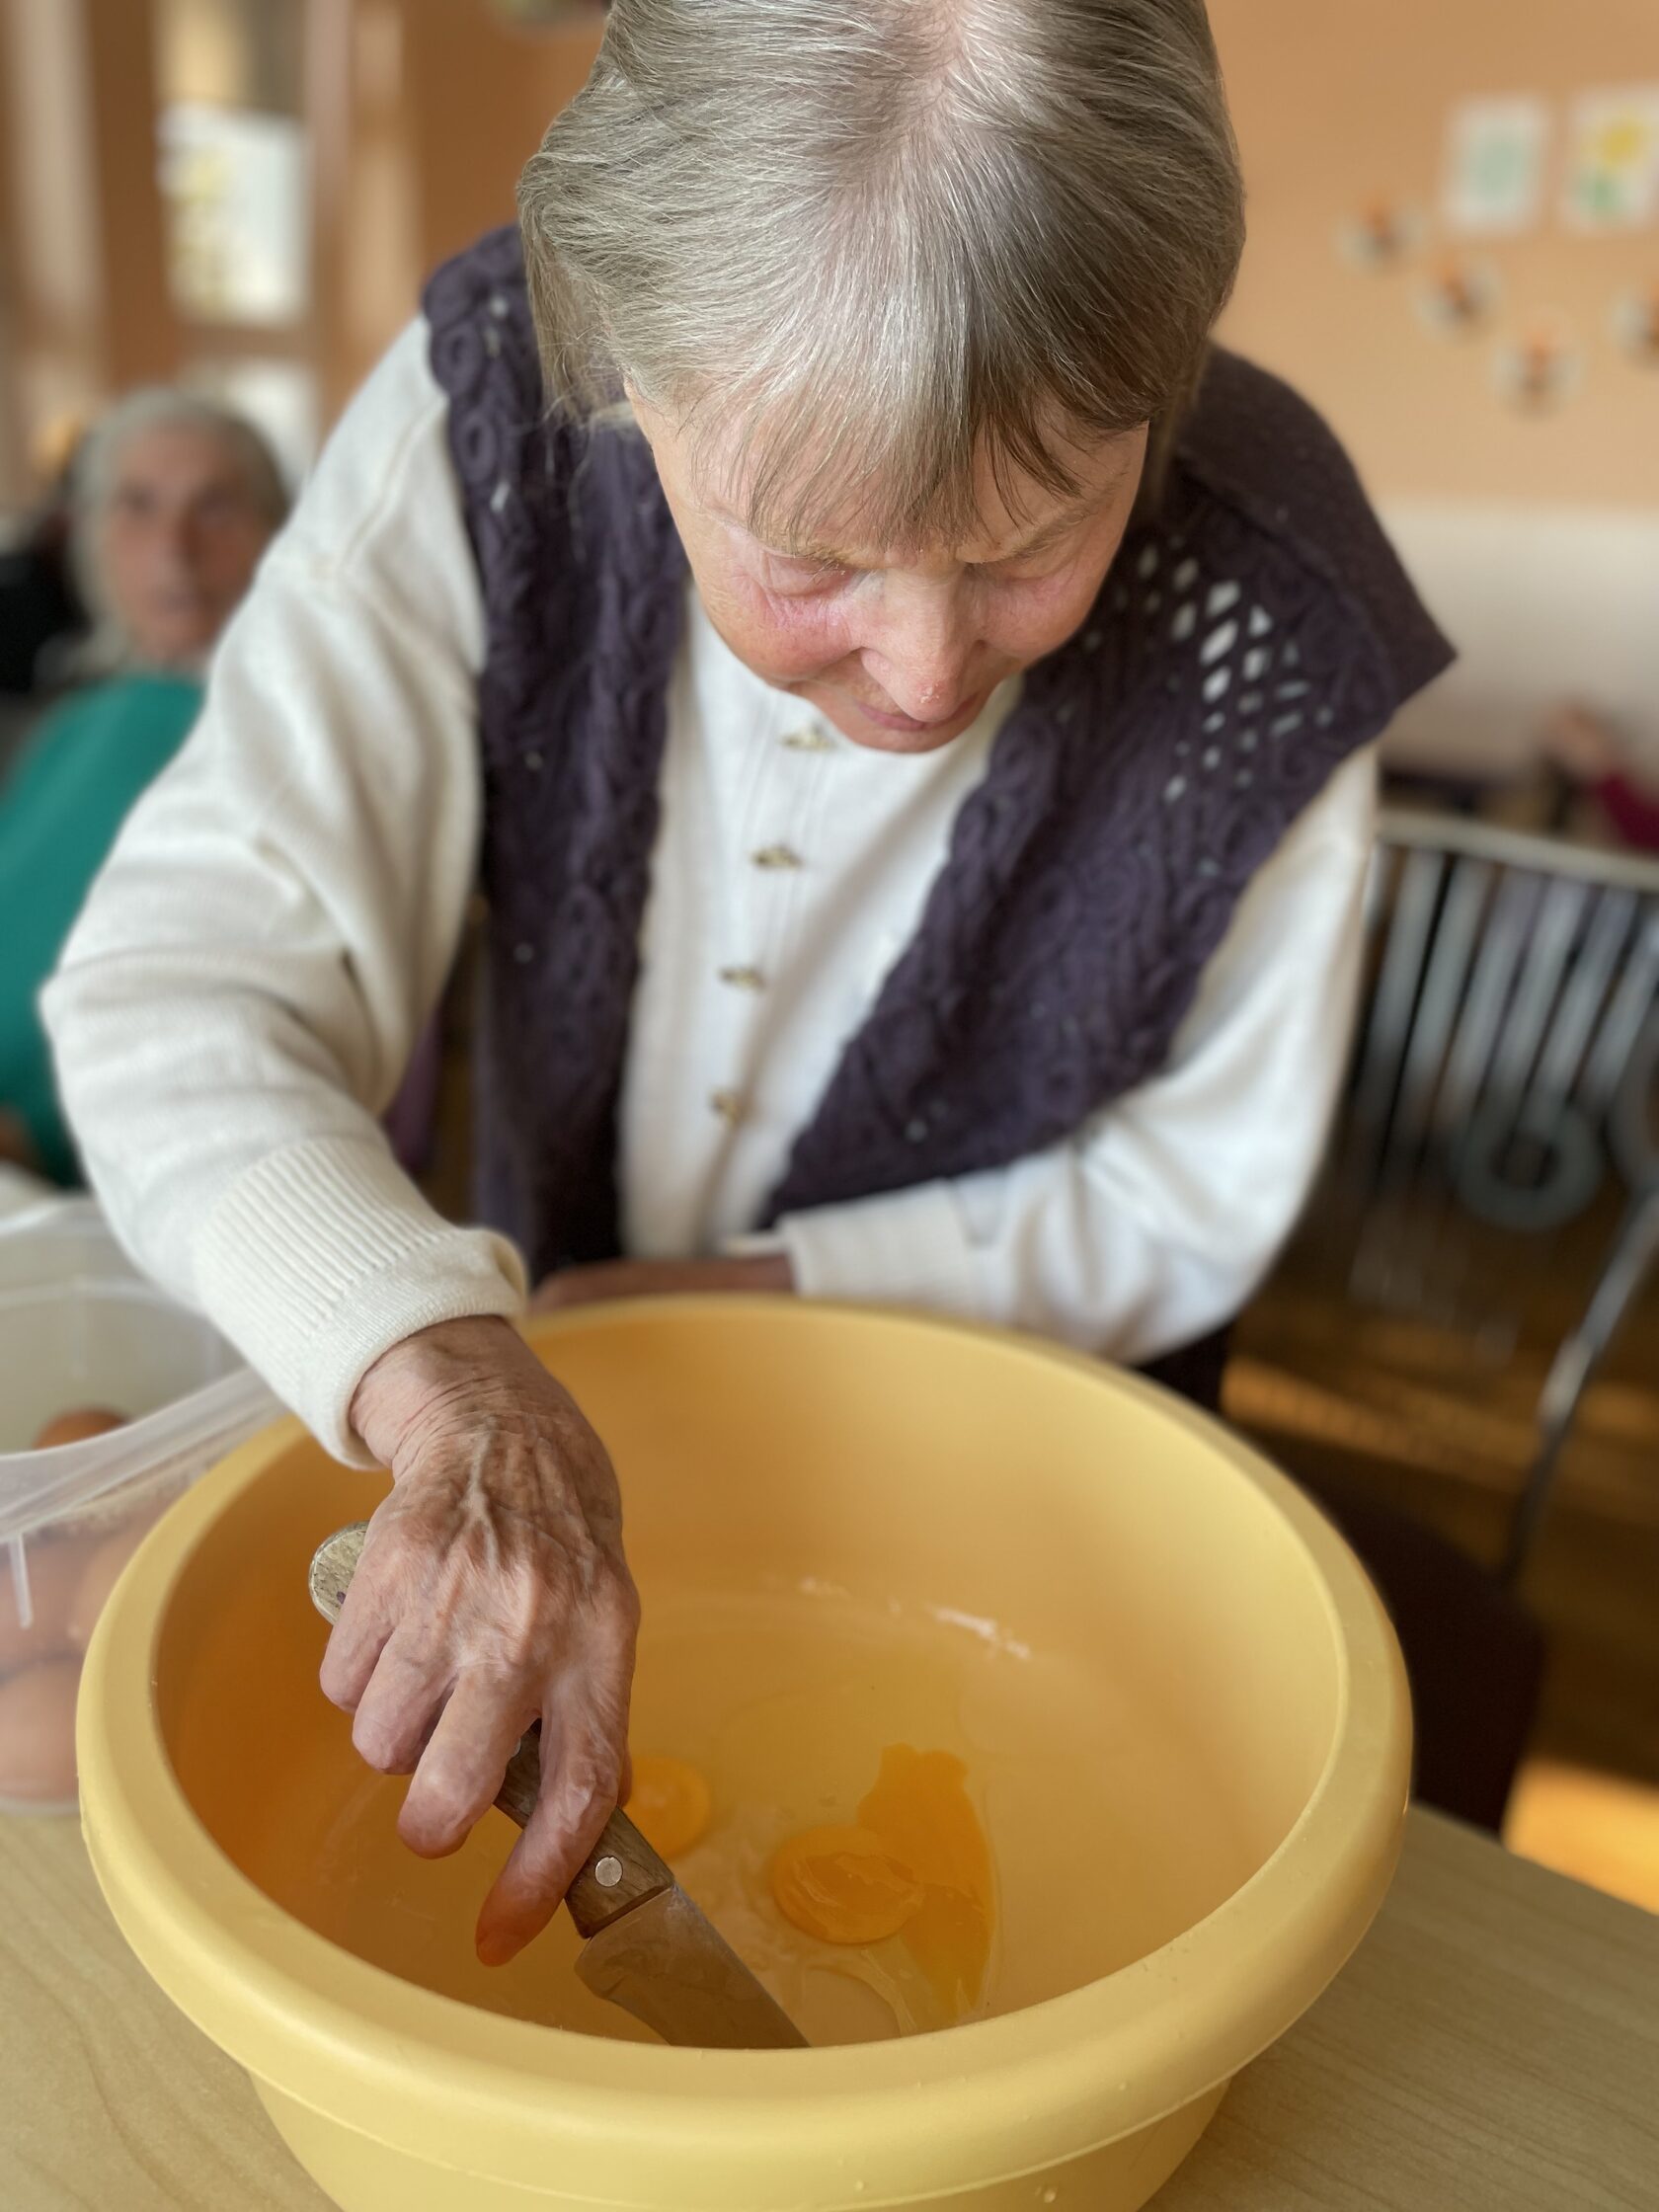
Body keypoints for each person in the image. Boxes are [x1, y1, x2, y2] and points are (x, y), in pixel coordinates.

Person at [45, 1, 1452, 1969]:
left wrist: (707, 1300)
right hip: (555, 1437)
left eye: (1039, 538)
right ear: (631, 373)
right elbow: (182, 984)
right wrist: (449, 1373)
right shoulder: (494, 407)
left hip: (1035, 1512)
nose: (927, 673)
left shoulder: (1269, 594)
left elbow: (1189, 1186)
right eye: (811, 553)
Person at [0, 391, 284, 1182]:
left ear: (275, 532)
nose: (174, 548)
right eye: (137, 505)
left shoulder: (282, 737)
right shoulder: (76, 719)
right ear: (92, 536)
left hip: (95, 1161)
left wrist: (38, 1136)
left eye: (215, 507)